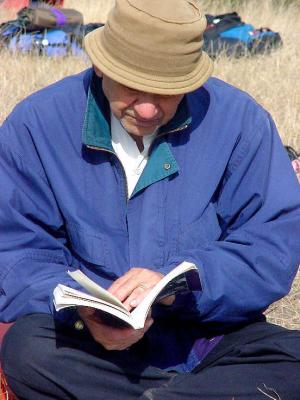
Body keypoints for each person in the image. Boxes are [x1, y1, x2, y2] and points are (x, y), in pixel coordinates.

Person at [0, 0, 300, 399]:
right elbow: (15, 250)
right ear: (101, 65)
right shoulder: (37, 125)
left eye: (166, 91)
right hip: (91, 343)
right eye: (131, 85)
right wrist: (83, 310)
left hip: (210, 338)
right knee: (28, 350)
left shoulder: (241, 122)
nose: (146, 108)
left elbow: (270, 246)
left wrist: (181, 284)